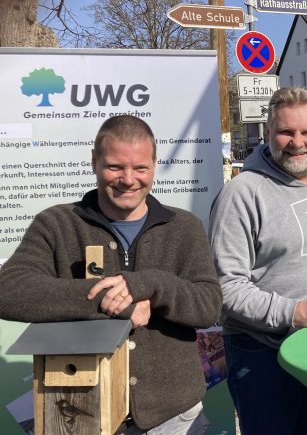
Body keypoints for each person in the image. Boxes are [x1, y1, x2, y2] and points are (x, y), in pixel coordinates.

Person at [0, 115, 223, 434]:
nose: (128, 179)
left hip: (174, 416)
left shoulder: (184, 227)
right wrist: (110, 300)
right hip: (82, 413)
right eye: (115, 167)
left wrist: (152, 284)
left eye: (140, 168)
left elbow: (209, 306)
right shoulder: (56, 225)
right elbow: (9, 291)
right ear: (95, 161)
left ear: (154, 165)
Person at [208, 87, 307, 435]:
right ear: (268, 132)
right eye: (286, 131)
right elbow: (225, 288)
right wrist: (296, 312)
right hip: (262, 355)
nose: (297, 142)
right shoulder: (242, 194)